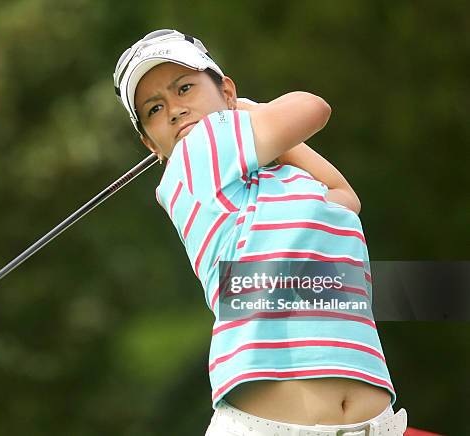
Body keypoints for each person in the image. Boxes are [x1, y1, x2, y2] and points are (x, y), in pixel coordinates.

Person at [113, 29, 408, 436]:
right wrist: (244, 110)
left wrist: (246, 116)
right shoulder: (195, 157)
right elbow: (311, 108)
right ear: (151, 143)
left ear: (226, 91)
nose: (176, 111)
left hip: (374, 425)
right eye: (154, 109)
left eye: (184, 88)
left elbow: (345, 199)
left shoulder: (285, 183)